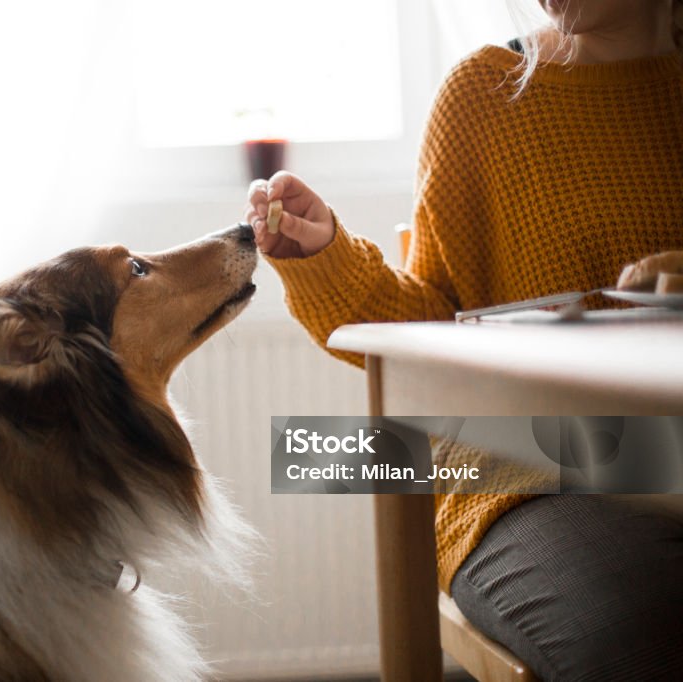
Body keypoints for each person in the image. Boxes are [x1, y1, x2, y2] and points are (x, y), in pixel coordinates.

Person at [246, 0, 683, 679]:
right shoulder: (484, 97)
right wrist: (324, 254)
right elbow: (435, 335)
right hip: (526, 473)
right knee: (638, 641)